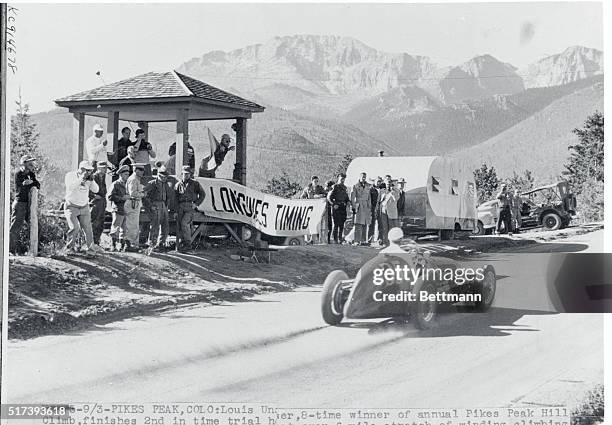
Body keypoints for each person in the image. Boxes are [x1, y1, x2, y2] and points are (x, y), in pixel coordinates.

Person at [62, 160, 100, 255]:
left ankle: (90, 250)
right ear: (81, 169)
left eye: (90, 170)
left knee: (88, 229)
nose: (89, 172)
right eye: (87, 170)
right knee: (74, 227)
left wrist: (92, 180)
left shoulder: (89, 179)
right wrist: (81, 179)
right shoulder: (70, 175)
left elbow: (96, 190)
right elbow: (70, 187)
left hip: (84, 206)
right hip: (71, 206)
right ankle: (69, 248)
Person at [9, 154, 41, 254]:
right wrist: (30, 182)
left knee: (36, 226)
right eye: (29, 162)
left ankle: (34, 250)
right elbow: (22, 186)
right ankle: (9, 251)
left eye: (32, 161)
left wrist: (31, 182)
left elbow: (37, 184)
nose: (32, 164)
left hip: (29, 204)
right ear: (24, 163)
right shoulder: (18, 173)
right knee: (15, 228)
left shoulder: (31, 174)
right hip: (20, 204)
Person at [175, 166, 205, 251]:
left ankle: (188, 244)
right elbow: (175, 198)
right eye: (185, 174)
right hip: (180, 206)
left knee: (185, 223)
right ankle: (182, 244)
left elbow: (203, 194)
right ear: (182, 174)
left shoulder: (195, 184)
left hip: (189, 207)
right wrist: (175, 210)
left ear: (190, 174)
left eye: (188, 174)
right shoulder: (178, 185)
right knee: (180, 225)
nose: (186, 175)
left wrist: (196, 204)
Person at [143, 165, 172, 251]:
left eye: (165, 177)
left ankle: (161, 244)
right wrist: (151, 206)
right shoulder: (152, 183)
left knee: (165, 225)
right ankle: (152, 244)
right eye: (162, 177)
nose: (164, 178)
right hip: (156, 205)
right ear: (159, 175)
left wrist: (167, 205)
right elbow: (145, 195)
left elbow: (168, 195)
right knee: (155, 225)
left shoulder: (165, 184)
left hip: (163, 205)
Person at [107, 165, 131, 251]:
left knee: (124, 229)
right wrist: (121, 198)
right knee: (115, 228)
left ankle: (121, 245)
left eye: (128, 174)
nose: (127, 176)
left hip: (126, 209)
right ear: (120, 175)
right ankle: (112, 244)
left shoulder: (128, 184)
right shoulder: (116, 184)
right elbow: (110, 197)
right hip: (118, 209)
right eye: (125, 174)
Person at [124, 163, 146, 252]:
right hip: (132, 204)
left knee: (134, 225)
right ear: (136, 170)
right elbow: (132, 193)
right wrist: (143, 194)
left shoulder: (136, 179)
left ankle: (133, 244)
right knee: (132, 225)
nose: (142, 172)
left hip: (135, 204)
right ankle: (130, 245)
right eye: (141, 170)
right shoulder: (133, 179)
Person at [327, 173, 350, 244]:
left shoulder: (345, 188)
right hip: (336, 207)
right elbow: (329, 197)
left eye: (344, 179)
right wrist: (333, 204)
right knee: (336, 224)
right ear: (338, 179)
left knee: (342, 224)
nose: (342, 180)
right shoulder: (335, 187)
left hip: (343, 207)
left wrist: (348, 202)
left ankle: (340, 238)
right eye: (341, 179)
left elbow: (346, 198)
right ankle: (335, 239)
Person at [89, 161, 108, 246]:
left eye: (106, 168)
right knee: (94, 221)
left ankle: (97, 241)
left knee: (100, 222)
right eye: (104, 168)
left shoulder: (103, 177)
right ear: (99, 168)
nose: (105, 169)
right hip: (95, 203)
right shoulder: (93, 177)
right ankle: (92, 242)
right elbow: (87, 189)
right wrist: (93, 196)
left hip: (102, 202)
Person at [350, 172, 372, 245]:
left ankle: (363, 240)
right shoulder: (356, 186)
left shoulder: (368, 186)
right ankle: (357, 240)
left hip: (366, 206)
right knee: (358, 223)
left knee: (365, 223)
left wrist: (369, 206)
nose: (363, 178)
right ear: (359, 177)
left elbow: (369, 197)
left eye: (365, 177)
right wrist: (353, 207)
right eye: (362, 177)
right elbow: (352, 197)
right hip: (359, 206)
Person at [367, 177, 381, 243]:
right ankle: (370, 238)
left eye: (380, 181)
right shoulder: (371, 189)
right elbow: (369, 199)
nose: (379, 183)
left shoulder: (381, 189)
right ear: (374, 181)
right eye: (378, 181)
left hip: (379, 208)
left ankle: (378, 239)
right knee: (371, 224)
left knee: (380, 224)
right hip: (372, 207)